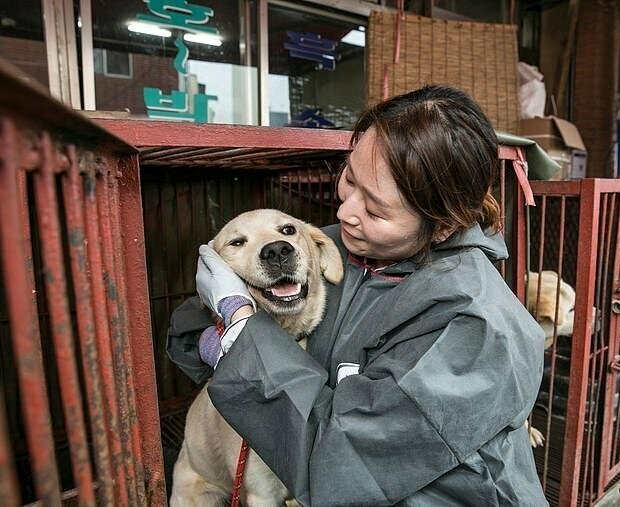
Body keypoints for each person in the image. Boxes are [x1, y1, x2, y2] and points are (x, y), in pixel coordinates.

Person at [167, 84, 548, 506]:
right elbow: (190, 332)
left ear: (441, 225)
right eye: (350, 178)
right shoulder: (346, 247)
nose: (345, 211)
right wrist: (212, 332)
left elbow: (339, 459)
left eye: (375, 209)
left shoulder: (474, 329)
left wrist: (240, 329)